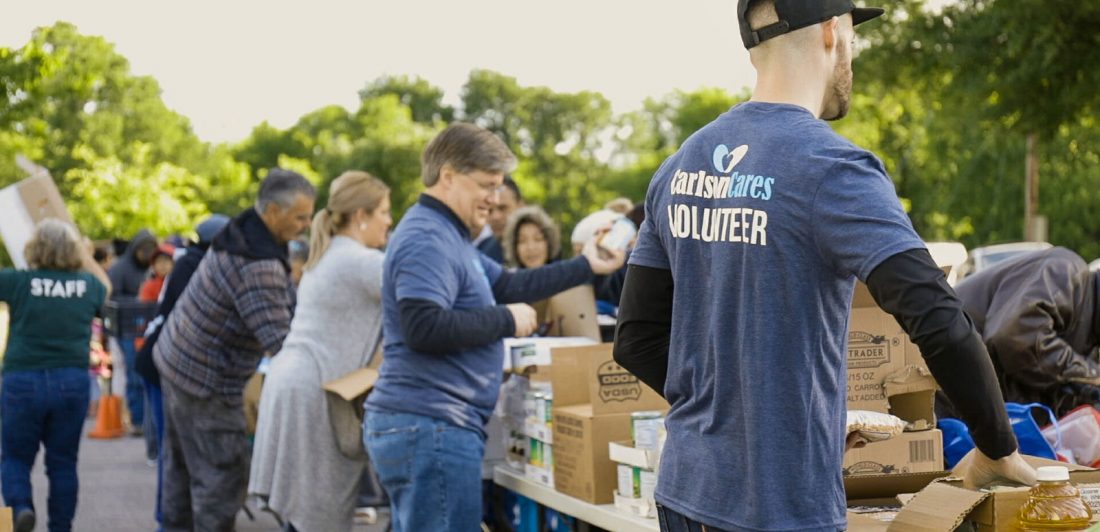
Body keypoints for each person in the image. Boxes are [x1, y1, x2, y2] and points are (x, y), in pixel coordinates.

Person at [612, 1, 1037, 530]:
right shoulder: (833, 169)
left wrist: (764, 421)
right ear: (833, 32)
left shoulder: (680, 166)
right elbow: (938, 318)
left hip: (684, 492)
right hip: (779, 510)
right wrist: (996, 446)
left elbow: (635, 339)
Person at [363, 122, 625, 531]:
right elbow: (422, 326)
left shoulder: (449, 235)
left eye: (499, 186)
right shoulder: (426, 238)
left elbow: (507, 283)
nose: (494, 198)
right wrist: (507, 319)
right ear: (448, 176)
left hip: (432, 427)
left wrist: (586, 266)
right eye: (486, 185)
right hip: (432, 426)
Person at [153, 169, 315, 531]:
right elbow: (281, 343)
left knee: (181, 474)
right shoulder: (258, 263)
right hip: (206, 381)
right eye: (300, 217)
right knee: (220, 480)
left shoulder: (242, 230)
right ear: (272, 211)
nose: (306, 226)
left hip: (176, 361)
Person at [249, 170, 392, 532]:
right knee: (319, 517)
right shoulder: (358, 261)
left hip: (294, 383)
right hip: (312, 392)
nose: (390, 222)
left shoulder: (331, 254)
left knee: (304, 516)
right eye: (385, 212)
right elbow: (424, 281)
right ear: (361, 215)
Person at [1, 218, 111, 532]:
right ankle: (61, 527)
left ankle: (20, 509)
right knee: (63, 463)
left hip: (22, 379)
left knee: (14, 459)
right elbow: (106, 288)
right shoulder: (89, 286)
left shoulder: (18, 281)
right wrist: (86, 254)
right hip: (71, 381)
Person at [133, 214, 230, 528]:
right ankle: (167, 520)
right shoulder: (194, 267)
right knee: (172, 449)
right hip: (163, 363)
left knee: (176, 448)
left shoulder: (193, 262)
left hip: (166, 360)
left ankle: (176, 517)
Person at [942, 247, 1100, 419]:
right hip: (941, 387)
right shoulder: (1067, 271)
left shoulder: (1088, 336)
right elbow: (1014, 338)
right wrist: (1092, 375)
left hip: (970, 408)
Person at [106, 228, 157, 436]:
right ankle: (137, 420)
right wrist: (139, 303)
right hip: (128, 330)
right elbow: (111, 298)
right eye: (143, 250)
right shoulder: (119, 269)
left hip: (149, 329)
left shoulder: (154, 268)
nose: (146, 255)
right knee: (134, 375)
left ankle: (149, 420)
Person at [476, 175, 523, 263]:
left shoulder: (546, 249)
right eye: (489, 210)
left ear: (520, 206)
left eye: (503, 208)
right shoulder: (481, 253)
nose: (495, 217)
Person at [502, 205, 561, 270]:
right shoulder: (509, 278)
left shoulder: (563, 276)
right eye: (522, 241)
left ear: (549, 242)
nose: (531, 247)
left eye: (538, 239)